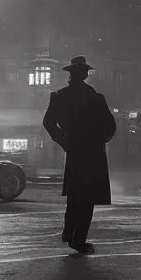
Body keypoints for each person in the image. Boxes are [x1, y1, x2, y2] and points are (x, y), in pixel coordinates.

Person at [43, 55, 117, 255]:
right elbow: (110, 125)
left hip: (74, 151)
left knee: (75, 196)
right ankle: (78, 239)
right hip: (92, 153)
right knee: (87, 198)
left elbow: (48, 123)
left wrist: (64, 141)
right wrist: (101, 139)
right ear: (83, 74)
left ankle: (69, 233)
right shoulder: (94, 97)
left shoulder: (60, 96)